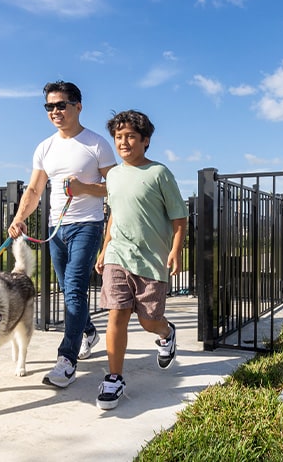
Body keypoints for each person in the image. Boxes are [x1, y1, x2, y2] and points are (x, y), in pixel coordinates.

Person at [8, 80, 116, 388]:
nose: (55, 111)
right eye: (49, 107)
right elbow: (34, 189)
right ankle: (89, 332)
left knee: (74, 290)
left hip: (88, 225)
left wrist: (84, 188)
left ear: (78, 107)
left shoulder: (96, 144)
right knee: (69, 291)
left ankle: (66, 360)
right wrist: (19, 218)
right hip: (56, 230)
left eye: (61, 105)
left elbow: (115, 186)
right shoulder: (45, 147)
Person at [93, 110, 188, 410]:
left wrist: (176, 251)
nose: (123, 142)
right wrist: (105, 248)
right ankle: (114, 378)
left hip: (151, 260)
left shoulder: (159, 173)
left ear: (145, 140)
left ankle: (166, 332)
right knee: (117, 315)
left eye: (131, 136)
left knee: (148, 321)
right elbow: (114, 217)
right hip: (118, 255)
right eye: (119, 137)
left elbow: (179, 217)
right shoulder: (113, 177)